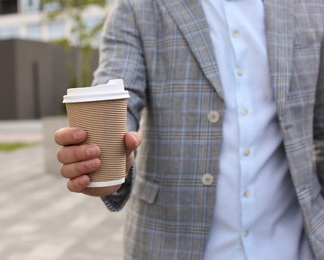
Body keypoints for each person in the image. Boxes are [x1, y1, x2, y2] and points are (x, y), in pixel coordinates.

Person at [55, 0, 324, 259]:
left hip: (297, 246)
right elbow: (119, 92)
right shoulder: (138, 6)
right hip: (170, 245)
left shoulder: (312, 5)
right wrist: (105, 155)